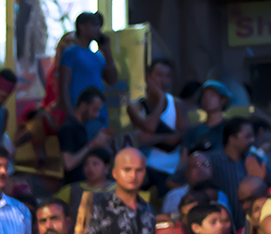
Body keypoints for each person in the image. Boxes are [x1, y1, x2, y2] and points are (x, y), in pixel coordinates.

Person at [129, 58, 183, 198]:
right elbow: (149, 128)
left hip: (172, 172)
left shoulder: (176, 104)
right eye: (159, 75)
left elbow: (180, 138)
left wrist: (152, 139)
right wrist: (160, 99)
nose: (163, 80)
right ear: (148, 77)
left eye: (167, 76)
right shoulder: (136, 106)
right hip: (146, 171)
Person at [58, 11, 118, 109]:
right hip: (79, 111)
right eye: (94, 24)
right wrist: (69, 112)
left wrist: (107, 52)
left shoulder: (98, 56)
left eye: (99, 25)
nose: (98, 28)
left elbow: (112, 80)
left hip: (98, 113)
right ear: (82, 26)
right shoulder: (71, 53)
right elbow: (64, 85)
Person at [205, 118, 262, 218]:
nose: (252, 140)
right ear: (232, 139)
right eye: (248, 136)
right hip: (223, 222)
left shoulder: (254, 159)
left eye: (253, 136)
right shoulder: (211, 160)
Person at [58, 88, 113, 185]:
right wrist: (93, 144)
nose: (96, 115)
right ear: (83, 105)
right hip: (75, 185)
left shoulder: (82, 126)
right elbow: (68, 163)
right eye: (94, 109)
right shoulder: (68, 128)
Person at [185, 81, 233, 156]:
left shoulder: (231, 130)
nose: (207, 99)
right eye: (204, 96)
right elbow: (184, 157)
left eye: (212, 95)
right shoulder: (193, 131)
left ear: (223, 100)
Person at [63, 146, 114, 216]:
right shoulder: (73, 189)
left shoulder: (117, 189)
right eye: (86, 164)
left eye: (95, 164)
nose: (90, 168)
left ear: (107, 167)